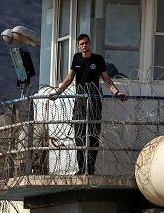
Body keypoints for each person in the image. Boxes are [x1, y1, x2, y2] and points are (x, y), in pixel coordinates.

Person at [47, 34, 128, 175]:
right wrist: (58, 92)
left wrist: (117, 92)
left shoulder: (98, 59)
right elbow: (69, 78)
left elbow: (107, 80)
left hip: (94, 100)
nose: (84, 45)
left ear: (90, 43)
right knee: (79, 135)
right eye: (81, 43)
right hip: (80, 101)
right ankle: (81, 167)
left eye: (86, 43)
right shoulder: (76, 58)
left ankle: (90, 168)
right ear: (79, 45)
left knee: (93, 135)